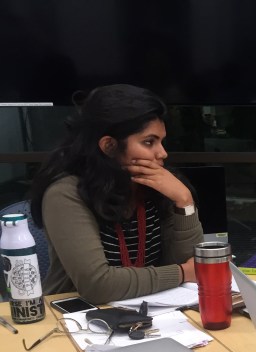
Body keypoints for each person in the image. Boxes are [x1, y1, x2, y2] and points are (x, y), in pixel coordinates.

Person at [29, 84, 203, 304]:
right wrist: (181, 273)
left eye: (161, 141)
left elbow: (191, 266)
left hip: (152, 310)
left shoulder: (156, 187)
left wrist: (184, 202)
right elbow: (99, 286)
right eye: (149, 142)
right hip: (76, 317)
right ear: (109, 146)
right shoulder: (65, 194)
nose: (162, 153)